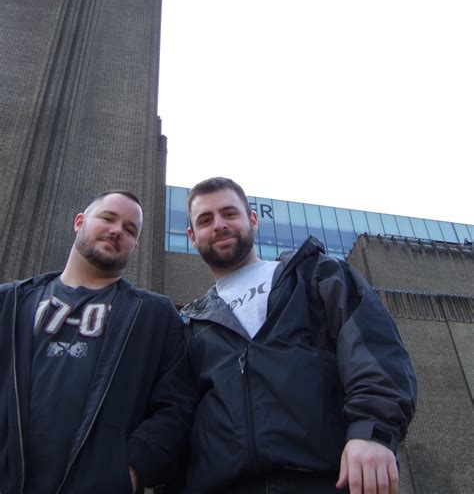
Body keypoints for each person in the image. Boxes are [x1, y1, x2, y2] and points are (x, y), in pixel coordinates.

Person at [181, 177, 417, 494]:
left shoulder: (316, 273)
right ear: (192, 237)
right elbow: (179, 417)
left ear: (252, 220)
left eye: (229, 213)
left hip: (327, 478)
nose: (220, 224)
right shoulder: (191, 323)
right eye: (206, 220)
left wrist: (371, 432)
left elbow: (374, 351)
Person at [0, 190, 195, 494]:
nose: (117, 230)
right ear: (79, 221)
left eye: (130, 230)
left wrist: (129, 473)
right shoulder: (9, 301)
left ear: (135, 245)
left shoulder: (155, 315)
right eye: (108, 218)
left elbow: (176, 410)